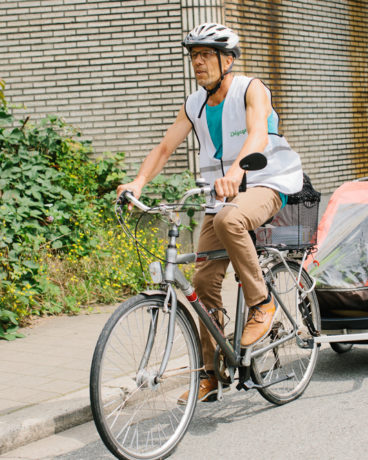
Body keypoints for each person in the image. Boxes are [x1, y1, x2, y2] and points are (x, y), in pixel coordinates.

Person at [117, 23, 303, 402]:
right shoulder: (194, 104)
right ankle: (209, 373)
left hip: (267, 183)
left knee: (229, 219)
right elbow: (166, 147)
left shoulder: (251, 89)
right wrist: (137, 182)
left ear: (227, 60)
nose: (197, 63)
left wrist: (237, 172)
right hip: (219, 195)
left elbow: (257, 135)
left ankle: (262, 303)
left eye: (204, 55)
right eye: (193, 56)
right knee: (202, 283)